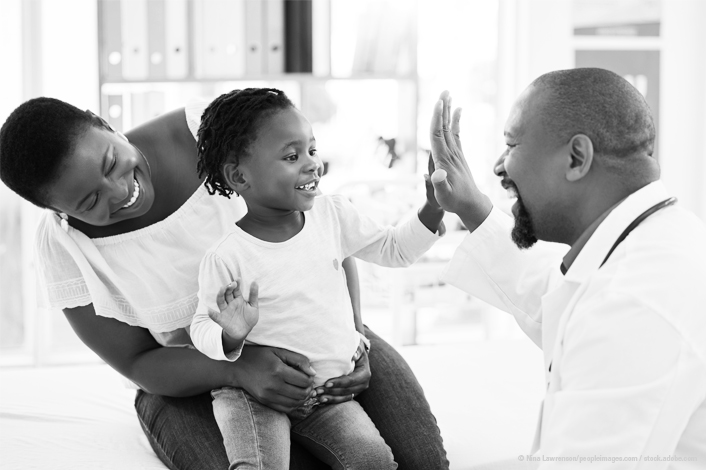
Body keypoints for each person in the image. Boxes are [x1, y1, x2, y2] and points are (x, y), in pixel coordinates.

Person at [0, 96, 450, 469]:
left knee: (421, 461)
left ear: (105, 124)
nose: (121, 191)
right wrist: (237, 366)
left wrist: (353, 338)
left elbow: (319, 233)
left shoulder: (207, 131)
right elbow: (138, 363)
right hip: (190, 383)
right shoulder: (65, 247)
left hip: (320, 339)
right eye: (91, 200)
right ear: (59, 210)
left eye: (111, 162)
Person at [428, 68, 706, 467]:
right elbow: (557, 290)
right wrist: (472, 208)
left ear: (576, 158)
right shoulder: (654, 240)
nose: (498, 167)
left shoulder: (633, 303)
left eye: (510, 145)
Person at [188, 88, 445, 469]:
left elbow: (395, 249)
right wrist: (230, 334)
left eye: (312, 150)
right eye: (292, 157)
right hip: (255, 399)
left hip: (324, 396)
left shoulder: (333, 215)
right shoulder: (227, 256)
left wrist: (433, 207)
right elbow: (199, 327)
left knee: (373, 461)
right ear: (239, 176)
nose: (311, 164)